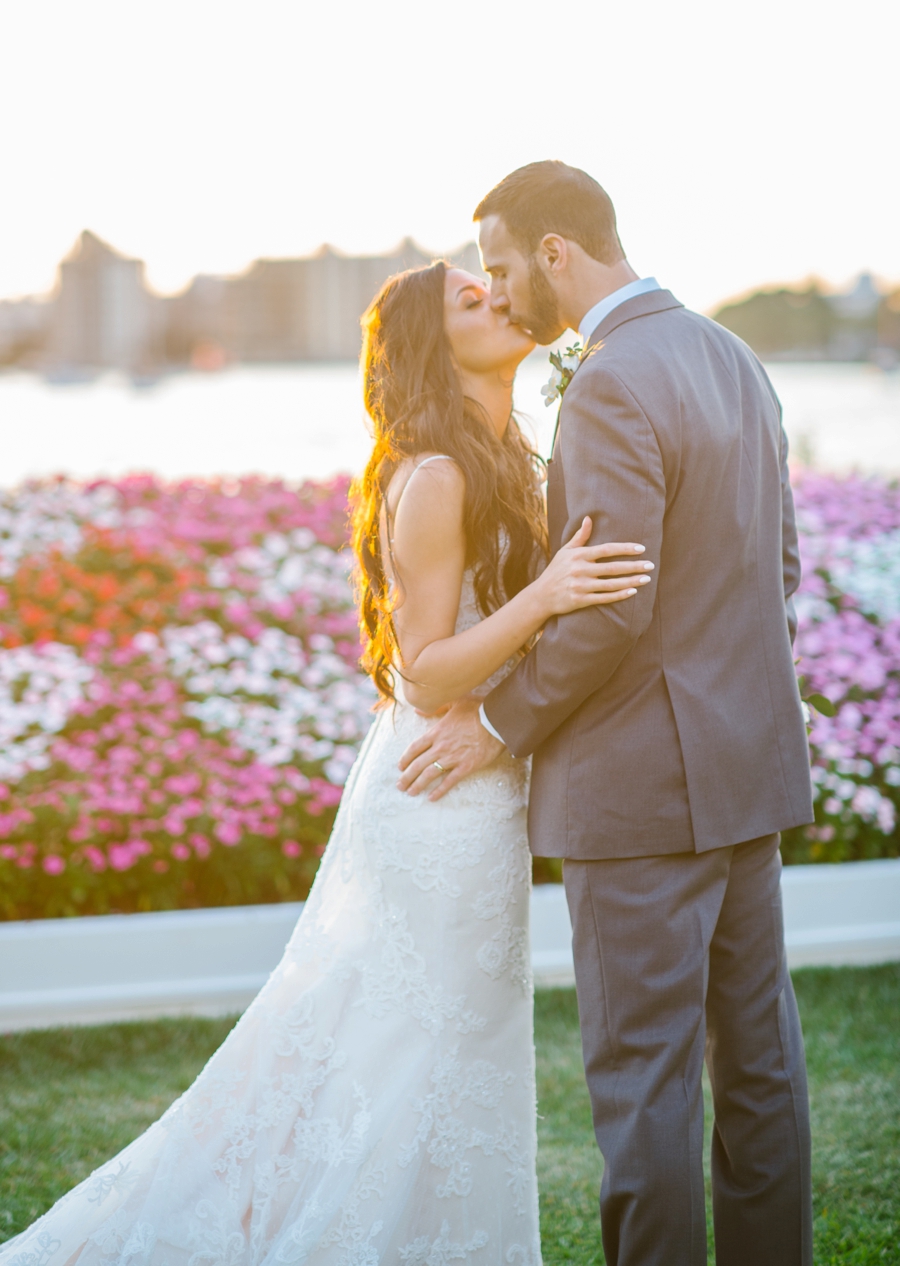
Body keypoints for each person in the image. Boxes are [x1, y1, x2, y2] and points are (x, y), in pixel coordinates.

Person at [0, 260, 651, 1265]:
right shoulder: (434, 474)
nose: (497, 298)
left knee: (441, 1059)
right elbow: (428, 675)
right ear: (437, 345)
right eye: (469, 299)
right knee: (412, 1063)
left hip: (474, 793)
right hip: (440, 794)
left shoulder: (505, 454)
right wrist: (549, 593)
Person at [399, 161, 815, 1266]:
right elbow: (780, 567)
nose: (498, 290)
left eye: (499, 265)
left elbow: (608, 608)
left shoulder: (615, 382)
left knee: (645, 1088)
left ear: (554, 253)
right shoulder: (734, 358)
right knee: (762, 1071)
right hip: (747, 775)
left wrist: (495, 727)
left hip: (639, 799)